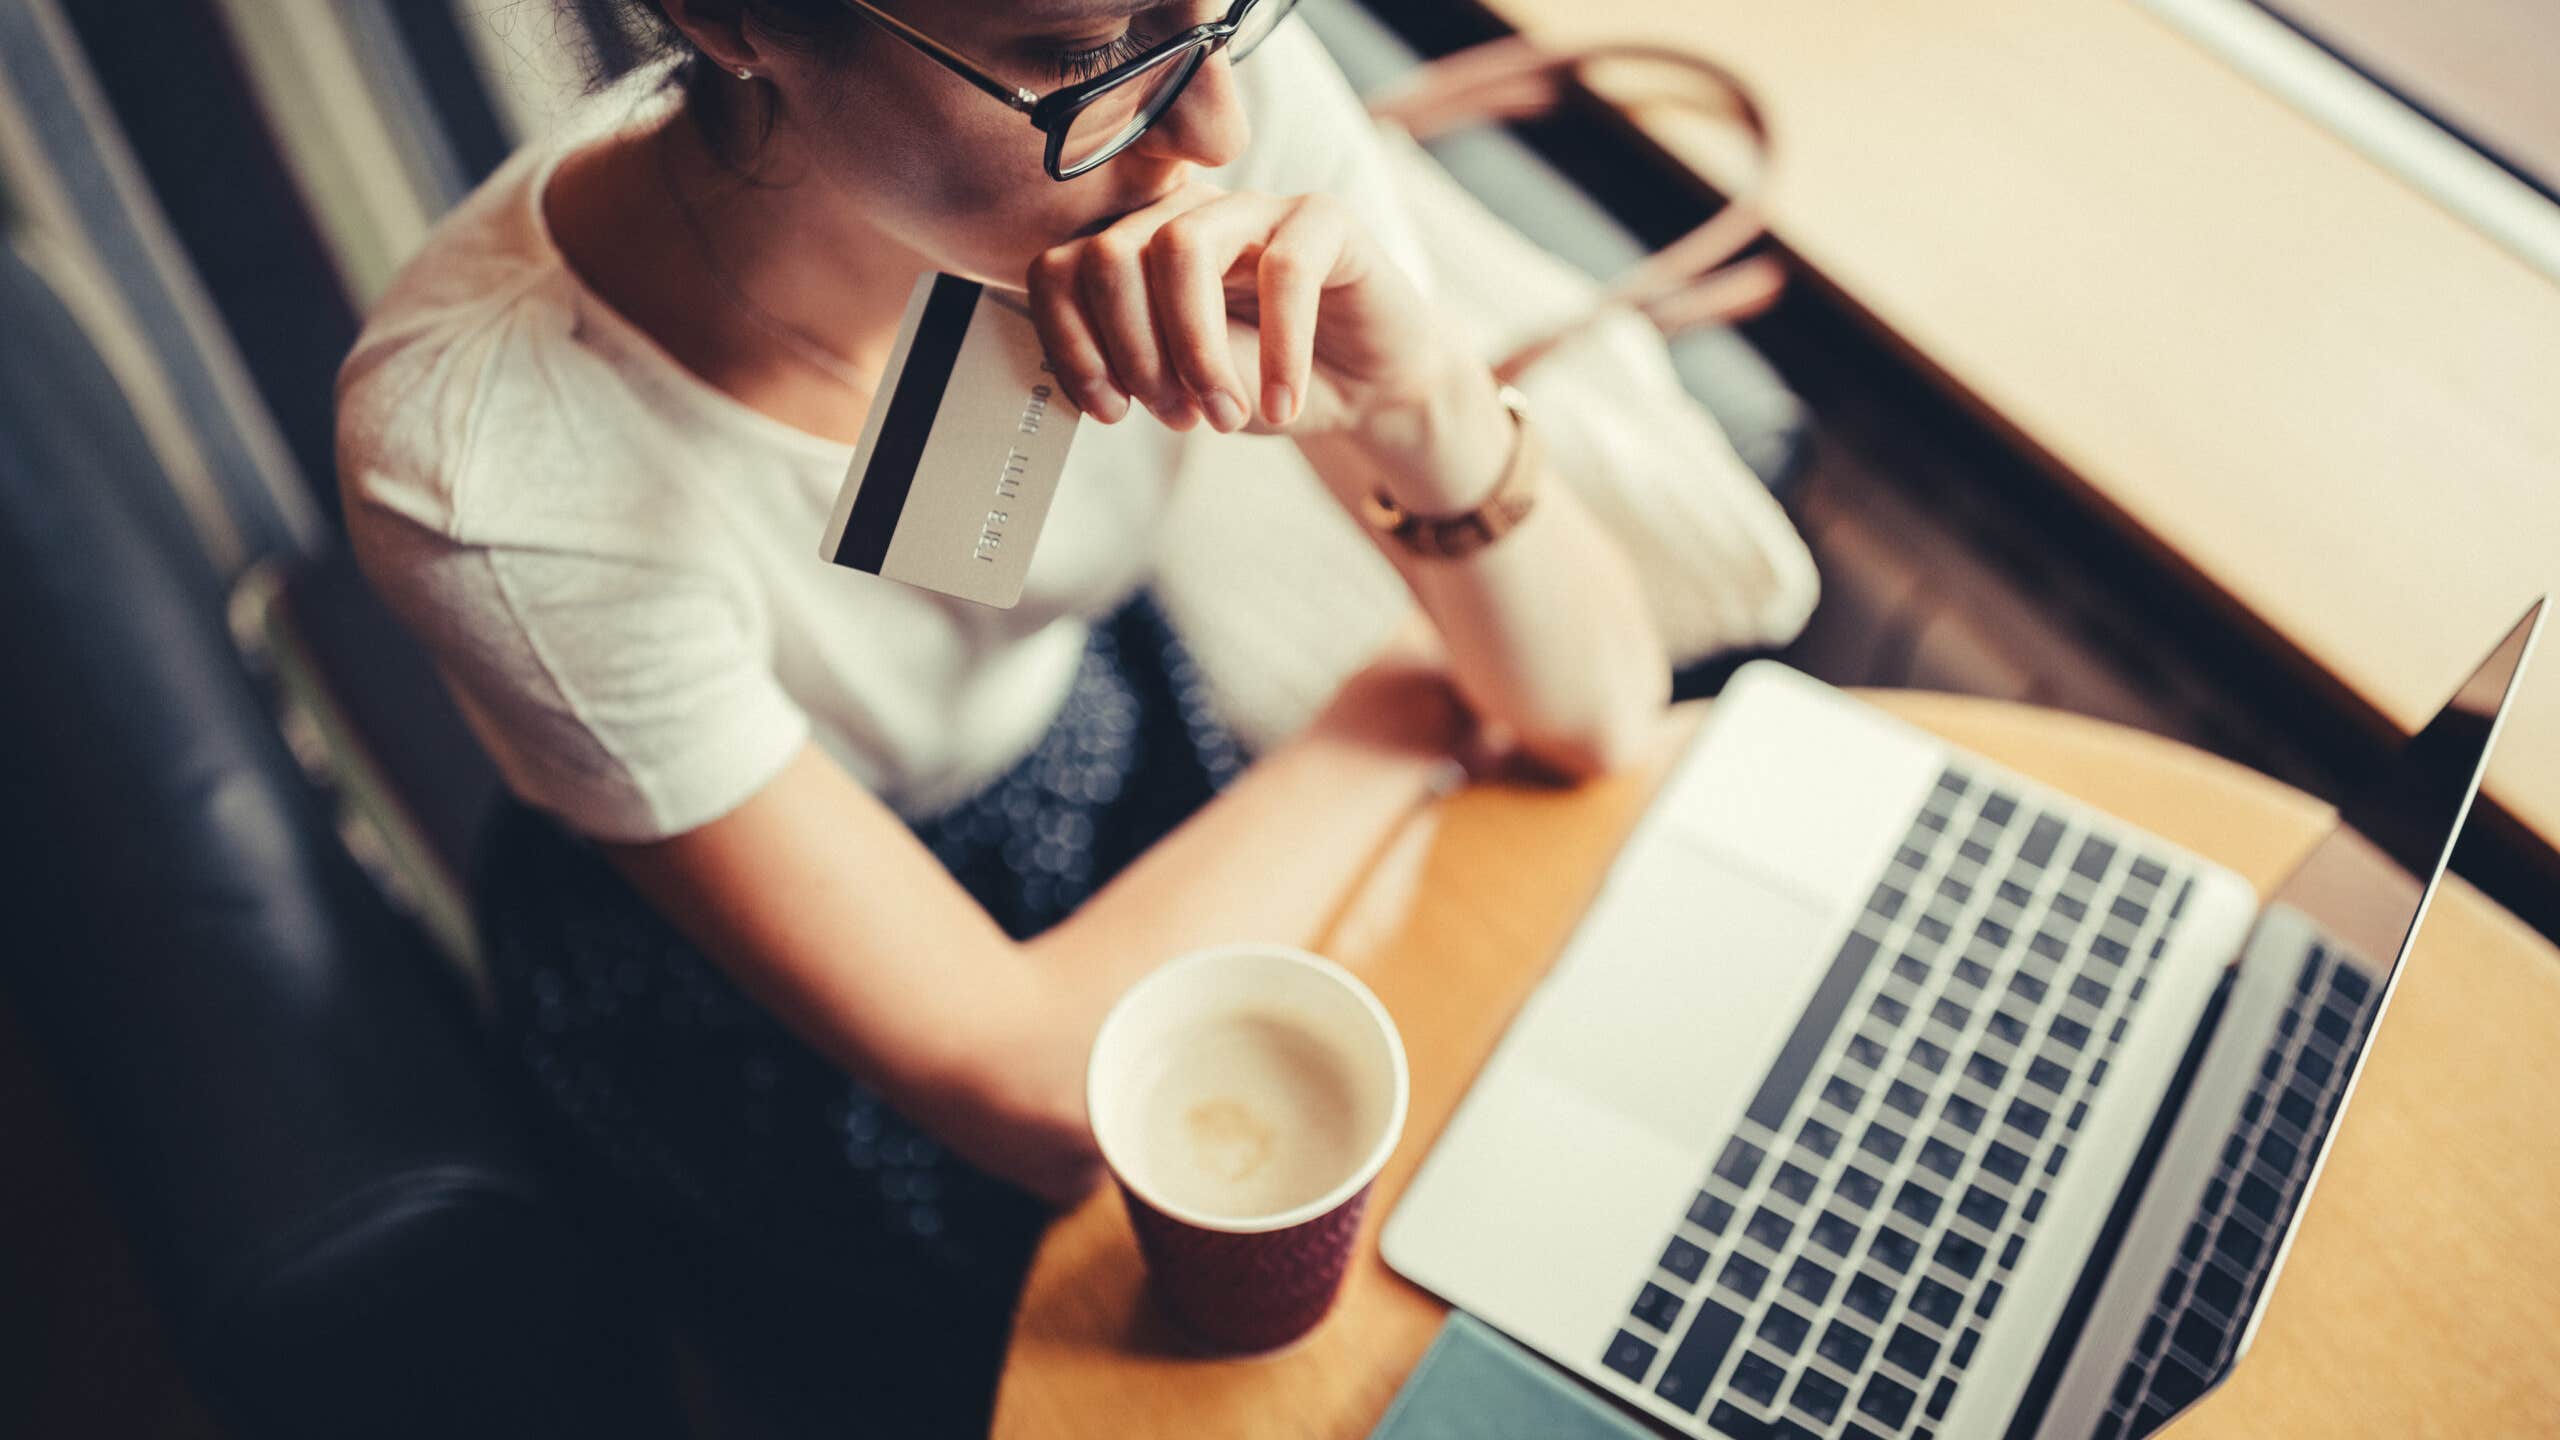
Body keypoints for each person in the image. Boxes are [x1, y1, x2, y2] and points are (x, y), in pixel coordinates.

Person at [334, 0, 1818, 1430]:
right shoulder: (488, 468)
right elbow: (1045, 1098)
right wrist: (1397, 715)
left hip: (1100, 741)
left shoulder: (1200, 102)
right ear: (733, 16)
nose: (1219, 118)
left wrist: (1422, 398)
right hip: (759, 998)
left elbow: (1598, 708)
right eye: (1077, 52)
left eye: (1227, 7)